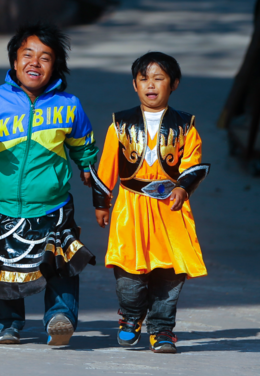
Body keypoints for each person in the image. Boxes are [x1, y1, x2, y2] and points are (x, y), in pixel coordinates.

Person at [0, 23, 98, 346]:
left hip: (54, 205)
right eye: (27, 55)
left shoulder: (69, 105)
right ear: (14, 60)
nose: (35, 63)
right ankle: (6, 324)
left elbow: (83, 146)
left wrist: (89, 169)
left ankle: (60, 317)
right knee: (1, 265)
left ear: (56, 66)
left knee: (60, 265)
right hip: (4, 205)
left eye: (45, 57)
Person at [88, 52, 210, 354]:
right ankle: (130, 318)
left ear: (174, 84)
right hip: (131, 206)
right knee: (128, 271)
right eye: (144, 79)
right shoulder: (120, 124)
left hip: (170, 208)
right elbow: (107, 167)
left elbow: (193, 162)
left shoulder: (185, 125)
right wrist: (101, 203)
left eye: (159, 78)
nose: (151, 85)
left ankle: (163, 330)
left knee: (170, 273)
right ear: (134, 85)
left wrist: (183, 187)